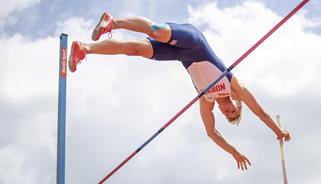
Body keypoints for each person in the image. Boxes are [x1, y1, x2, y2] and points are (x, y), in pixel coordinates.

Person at [69, 12, 291, 170]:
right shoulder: (234, 86)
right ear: (236, 103)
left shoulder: (207, 101)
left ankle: (84, 49)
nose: (227, 111)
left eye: (227, 115)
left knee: (134, 49)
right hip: (194, 41)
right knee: (157, 31)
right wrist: (277, 132)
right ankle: (113, 22)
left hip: (180, 56)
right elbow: (260, 112)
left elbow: (211, 132)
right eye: (233, 111)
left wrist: (233, 152)